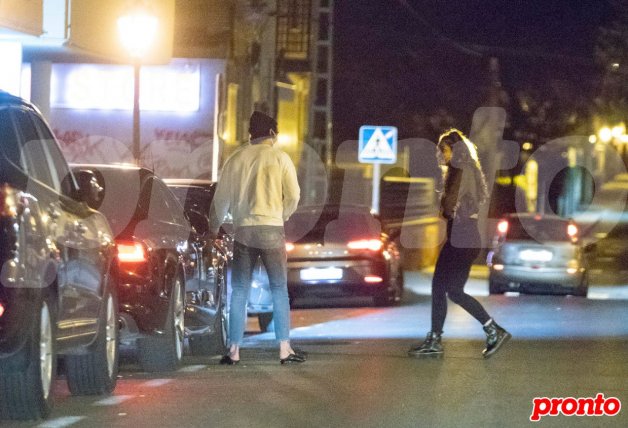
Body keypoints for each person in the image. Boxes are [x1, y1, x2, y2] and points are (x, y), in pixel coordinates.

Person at [210, 111, 305, 365]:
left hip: (243, 230)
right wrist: (281, 215)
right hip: (272, 228)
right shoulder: (280, 158)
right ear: (273, 133)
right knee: (278, 289)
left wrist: (214, 227)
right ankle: (285, 349)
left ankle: (234, 351)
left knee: (239, 290)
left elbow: (221, 200)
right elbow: (294, 195)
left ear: (250, 133)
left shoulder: (236, 159)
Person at [408, 128, 511, 359]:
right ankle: (491, 330)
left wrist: (442, 198)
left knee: (442, 287)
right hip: (465, 236)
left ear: (455, 150)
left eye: (443, 150)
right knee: (451, 290)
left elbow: (447, 207)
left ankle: (437, 339)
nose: (441, 156)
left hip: (462, 236)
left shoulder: (460, 171)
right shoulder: (469, 170)